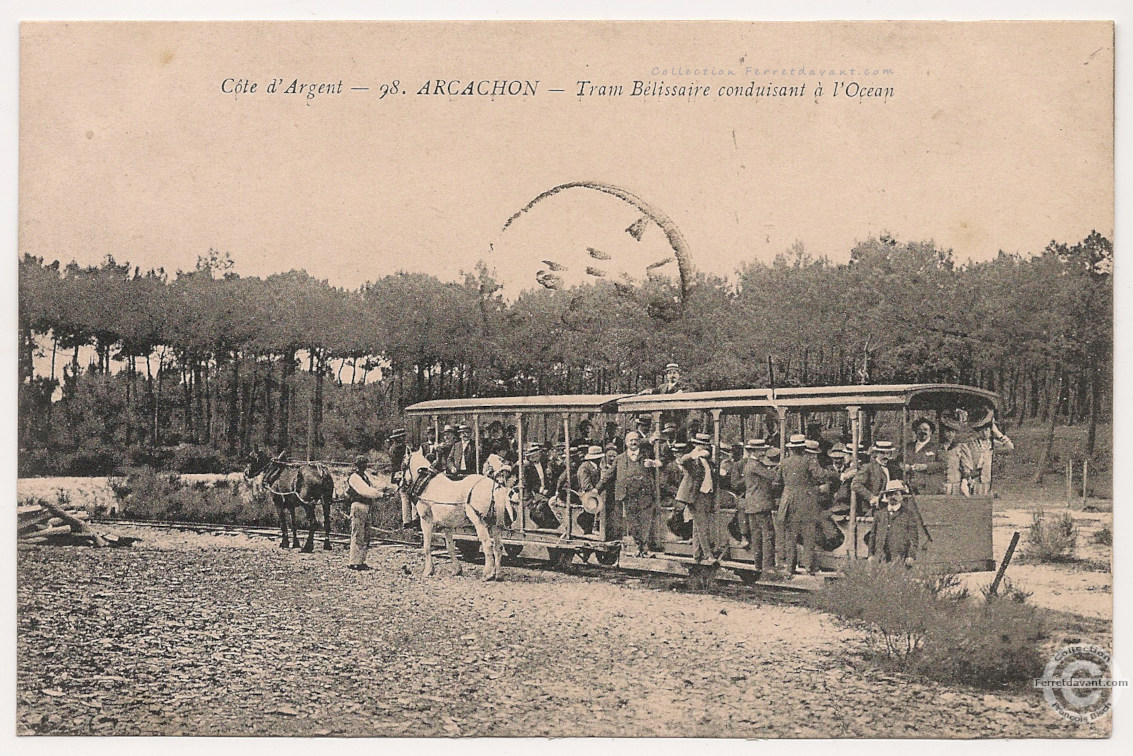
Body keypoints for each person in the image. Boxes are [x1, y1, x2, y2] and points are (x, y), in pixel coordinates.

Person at [778, 434, 843, 577]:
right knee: (808, 536)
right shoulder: (808, 462)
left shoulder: (784, 462)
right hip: (806, 503)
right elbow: (821, 475)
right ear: (803, 449)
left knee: (791, 538)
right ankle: (809, 566)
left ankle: (790, 568)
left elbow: (778, 481)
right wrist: (833, 475)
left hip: (788, 503)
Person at [597, 430, 662, 557]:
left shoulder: (647, 455)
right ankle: (639, 546)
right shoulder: (620, 459)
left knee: (645, 521)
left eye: (635, 440)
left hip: (644, 495)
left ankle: (645, 548)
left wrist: (655, 463)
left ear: (639, 442)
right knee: (632, 523)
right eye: (630, 440)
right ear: (626, 443)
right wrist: (597, 489)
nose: (633, 442)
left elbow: (662, 460)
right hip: (628, 496)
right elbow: (608, 475)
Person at [741, 438, 782, 574]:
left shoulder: (750, 464)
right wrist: (781, 467)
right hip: (761, 505)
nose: (763, 453)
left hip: (752, 505)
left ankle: (758, 564)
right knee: (768, 534)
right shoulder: (755, 465)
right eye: (761, 451)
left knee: (757, 536)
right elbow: (773, 476)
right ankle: (768, 566)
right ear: (754, 451)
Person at [676, 433, 718, 562]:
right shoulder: (691, 459)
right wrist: (695, 454)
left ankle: (696, 553)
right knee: (702, 525)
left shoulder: (707, 460)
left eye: (705, 445)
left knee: (698, 525)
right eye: (700, 445)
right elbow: (681, 460)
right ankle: (708, 555)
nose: (703, 447)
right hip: (694, 495)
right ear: (695, 444)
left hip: (705, 494)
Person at [347, 455, 386, 571]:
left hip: (366, 506)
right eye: (361, 464)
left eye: (365, 464)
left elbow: (377, 485)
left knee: (365, 535)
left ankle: (361, 561)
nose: (364, 466)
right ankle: (354, 562)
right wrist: (380, 494)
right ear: (357, 466)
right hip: (358, 506)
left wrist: (386, 486)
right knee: (358, 533)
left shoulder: (365, 476)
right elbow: (365, 491)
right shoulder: (354, 478)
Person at [869, 480, 922, 566]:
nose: (892, 497)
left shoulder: (908, 515)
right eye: (889, 494)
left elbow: (913, 538)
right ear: (886, 497)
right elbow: (873, 535)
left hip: (900, 557)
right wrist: (871, 554)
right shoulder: (879, 514)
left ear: (901, 496)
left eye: (896, 494)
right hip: (880, 557)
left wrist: (911, 556)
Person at [964, 412, 1014, 495]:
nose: (984, 433)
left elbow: (1010, 447)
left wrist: (998, 433)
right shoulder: (971, 443)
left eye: (986, 429)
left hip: (986, 480)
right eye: (981, 430)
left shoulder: (992, 443)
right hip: (973, 479)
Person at [903, 417, 945, 495]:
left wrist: (926, 466)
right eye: (919, 429)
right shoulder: (908, 447)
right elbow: (898, 461)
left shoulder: (938, 447)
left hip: (928, 487)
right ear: (915, 432)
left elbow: (943, 464)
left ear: (931, 432)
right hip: (910, 487)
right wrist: (903, 466)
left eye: (925, 429)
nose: (922, 432)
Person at [940, 419, 968, 495]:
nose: (950, 434)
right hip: (941, 485)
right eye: (948, 431)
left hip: (955, 485)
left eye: (953, 432)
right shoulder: (939, 447)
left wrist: (964, 481)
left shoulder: (960, 447)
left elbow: (966, 467)